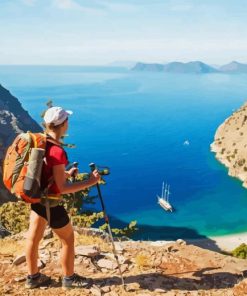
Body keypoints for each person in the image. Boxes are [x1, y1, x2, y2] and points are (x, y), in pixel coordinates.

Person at [25, 106, 101, 289]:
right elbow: (62, 188)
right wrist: (91, 181)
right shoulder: (58, 151)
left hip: (36, 199)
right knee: (67, 239)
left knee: (32, 240)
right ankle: (69, 279)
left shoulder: (39, 143)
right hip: (51, 203)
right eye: (67, 120)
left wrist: (64, 173)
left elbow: (44, 173)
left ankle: (33, 277)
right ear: (64, 124)